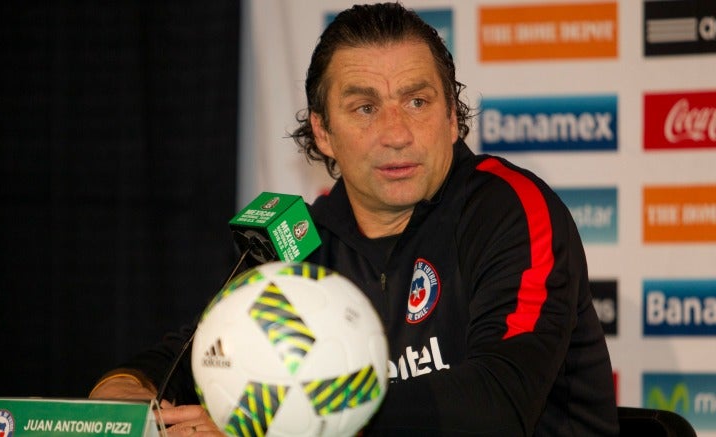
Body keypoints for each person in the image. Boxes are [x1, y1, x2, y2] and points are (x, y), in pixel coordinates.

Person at [89, 3, 619, 436]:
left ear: (452, 117)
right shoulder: (302, 239)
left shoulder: (507, 209)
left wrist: (287, 420)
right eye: (365, 108)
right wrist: (126, 391)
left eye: (417, 102)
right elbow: (202, 352)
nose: (396, 133)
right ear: (323, 133)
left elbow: (499, 403)